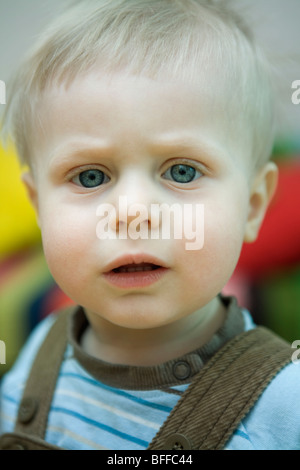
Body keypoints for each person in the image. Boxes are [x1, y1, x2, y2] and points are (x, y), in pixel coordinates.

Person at [0, 0, 299, 450]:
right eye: (90, 176)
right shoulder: (40, 352)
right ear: (39, 207)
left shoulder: (282, 404)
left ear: (253, 206)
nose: (133, 213)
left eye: (182, 171)